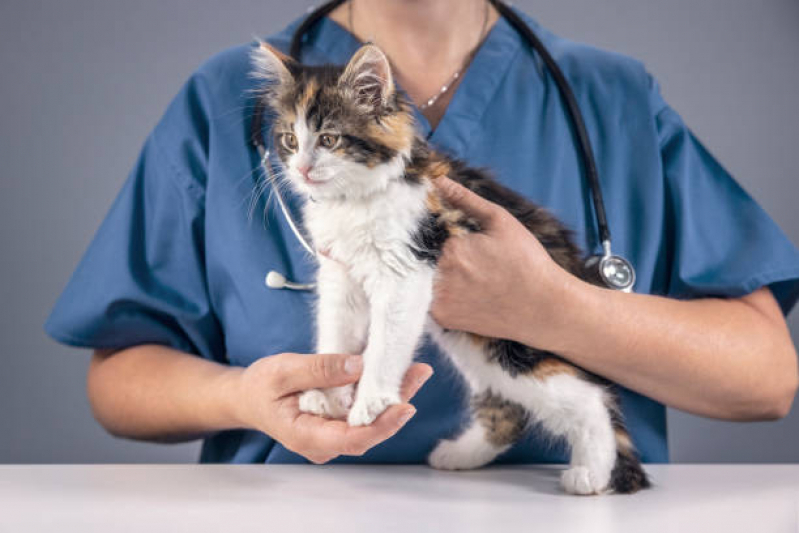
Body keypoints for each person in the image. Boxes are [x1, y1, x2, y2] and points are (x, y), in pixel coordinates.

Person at [45, 0, 799, 465]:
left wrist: (552, 308)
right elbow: (118, 383)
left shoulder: (612, 96)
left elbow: (767, 377)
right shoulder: (228, 99)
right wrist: (243, 397)